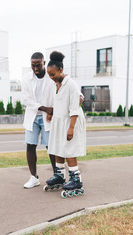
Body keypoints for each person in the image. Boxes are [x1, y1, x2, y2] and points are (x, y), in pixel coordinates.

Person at [45, 51, 86, 198]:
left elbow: (74, 108)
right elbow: (60, 103)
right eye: (49, 75)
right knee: (57, 147)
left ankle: (76, 179)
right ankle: (60, 175)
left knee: (69, 149)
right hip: (59, 120)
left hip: (70, 120)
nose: (51, 77)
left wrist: (71, 128)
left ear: (60, 70)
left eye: (53, 74)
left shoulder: (71, 84)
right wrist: (51, 113)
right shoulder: (58, 84)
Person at [21, 52, 57, 189]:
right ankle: (33, 177)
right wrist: (45, 108)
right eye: (33, 65)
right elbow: (26, 99)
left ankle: (57, 175)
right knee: (30, 145)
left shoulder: (51, 76)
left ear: (44, 62)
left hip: (49, 117)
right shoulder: (26, 78)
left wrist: (51, 110)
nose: (35, 69)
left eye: (38, 65)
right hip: (32, 116)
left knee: (51, 146)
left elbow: (58, 93)